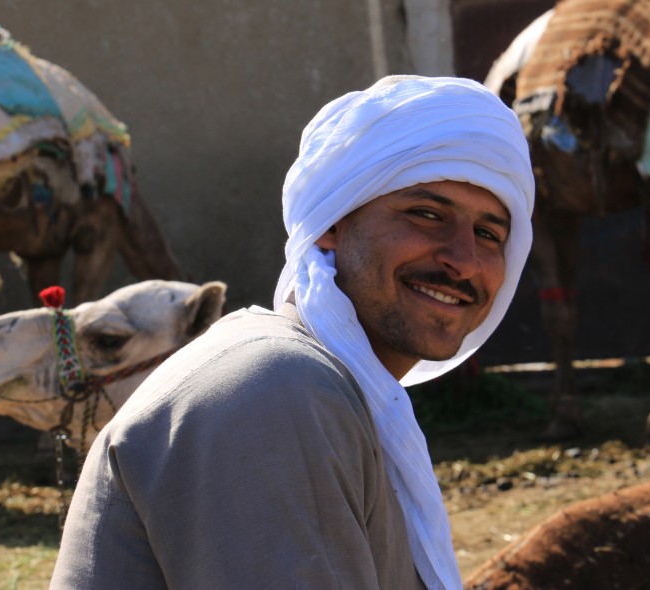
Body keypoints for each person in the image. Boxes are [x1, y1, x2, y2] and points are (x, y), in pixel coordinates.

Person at [50, 75, 534, 590]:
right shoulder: (278, 388)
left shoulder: (336, 391)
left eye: (488, 234)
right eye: (427, 214)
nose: (464, 260)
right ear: (330, 222)